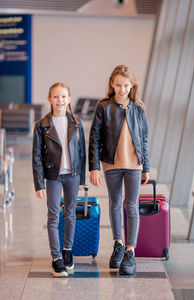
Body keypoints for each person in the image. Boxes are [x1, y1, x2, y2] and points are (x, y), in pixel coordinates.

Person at [89, 65, 150, 275]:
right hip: (111, 163)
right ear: (112, 85)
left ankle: (130, 252)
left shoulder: (139, 108)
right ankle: (118, 244)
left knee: (131, 205)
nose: (122, 89)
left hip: (134, 164)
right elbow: (94, 138)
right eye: (118, 85)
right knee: (115, 203)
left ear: (132, 85)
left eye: (126, 85)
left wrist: (146, 168)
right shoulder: (103, 106)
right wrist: (94, 167)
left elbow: (143, 139)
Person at [32, 82, 86, 277]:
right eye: (56, 96)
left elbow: (81, 154)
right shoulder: (42, 126)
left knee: (70, 214)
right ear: (49, 100)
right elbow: (36, 156)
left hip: (73, 175)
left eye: (63, 96)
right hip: (52, 176)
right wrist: (39, 183)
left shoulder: (77, 124)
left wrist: (82, 180)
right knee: (54, 216)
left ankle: (67, 251)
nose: (60, 100)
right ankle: (56, 258)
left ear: (69, 99)